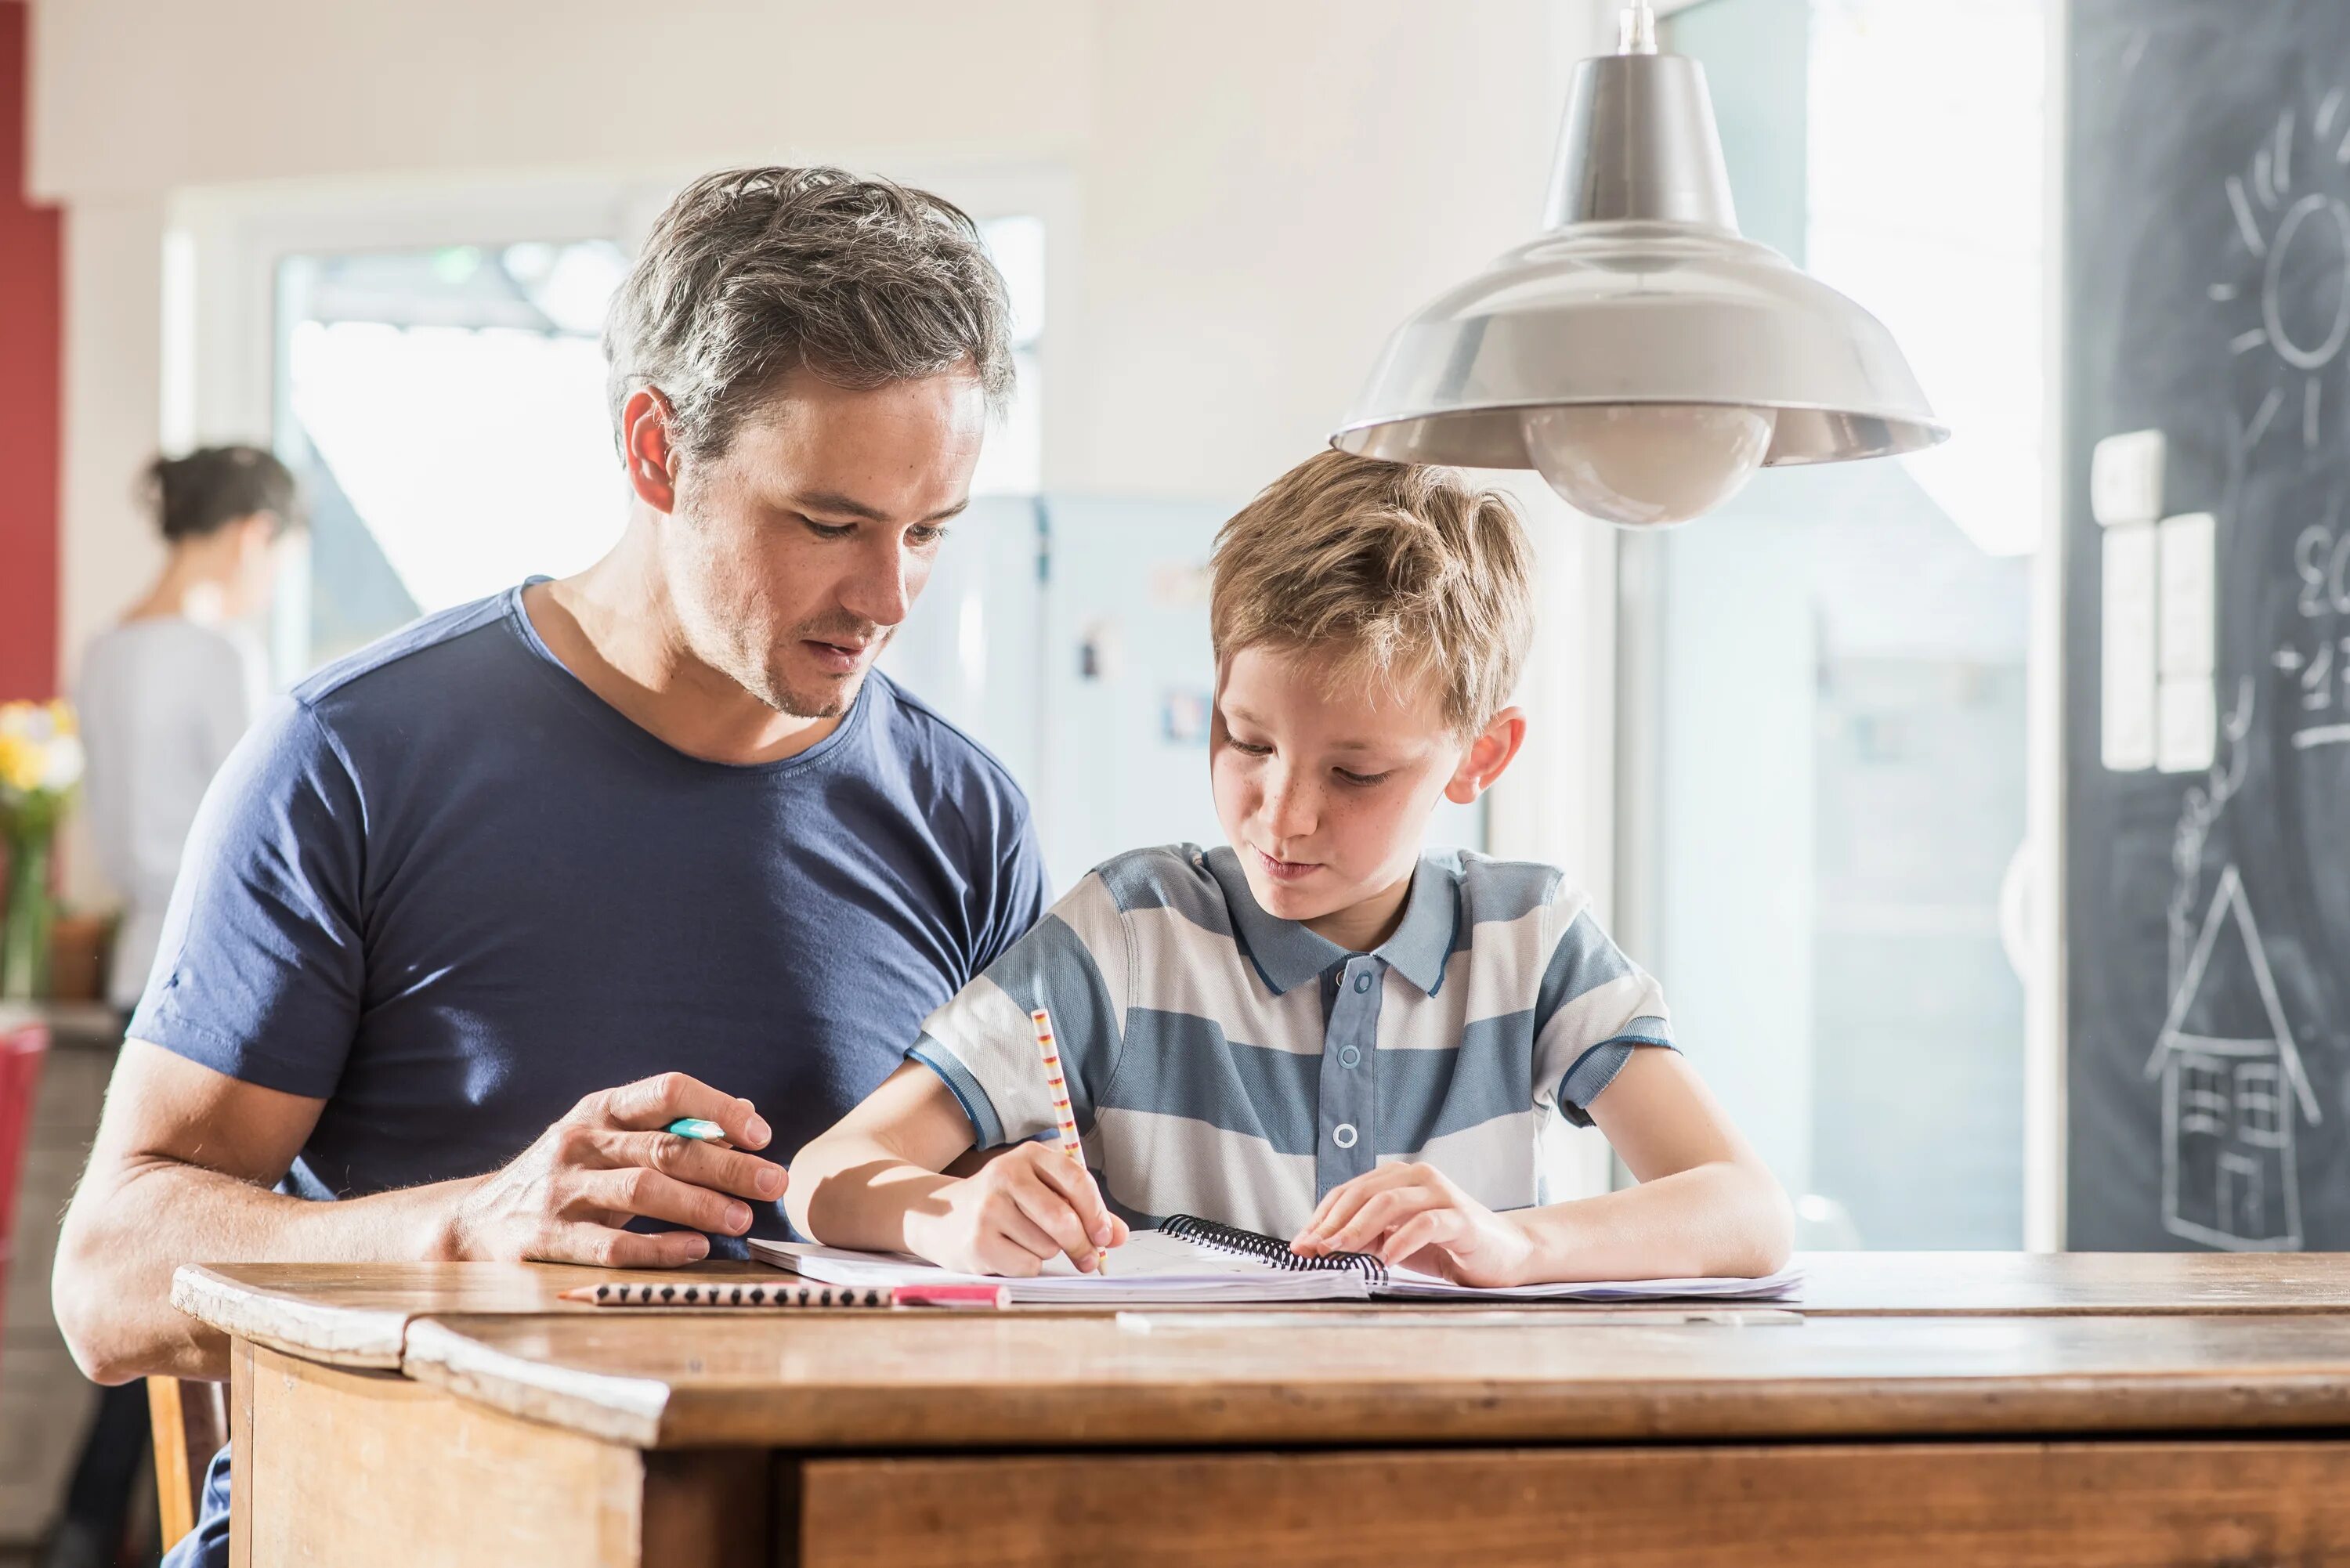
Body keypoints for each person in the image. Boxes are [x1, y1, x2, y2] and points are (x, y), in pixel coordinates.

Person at [50, 167, 1046, 1568]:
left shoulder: (966, 818)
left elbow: (1015, 1276)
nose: (887, 598)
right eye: (828, 522)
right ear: (654, 450)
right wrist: (469, 1230)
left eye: (929, 530)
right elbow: (106, 1281)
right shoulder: (351, 758)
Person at [788, 451, 1794, 1288]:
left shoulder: (1528, 938)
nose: (1284, 812)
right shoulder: (1132, 932)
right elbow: (827, 1172)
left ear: (1480, 757)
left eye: (1356, 773)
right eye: (1246, 739)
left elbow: (1747, 1210)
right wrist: (952, 1214)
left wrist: (1519, 1243)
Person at [45, 446, 295, 1568]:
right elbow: (261, 852)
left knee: (142, 1255)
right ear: (252, 534)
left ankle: (95, 1520)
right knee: (192, 1269)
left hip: (132, 970)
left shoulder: (104, 649)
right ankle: (143, 1520)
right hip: (220, 984)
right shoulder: (220, 653)